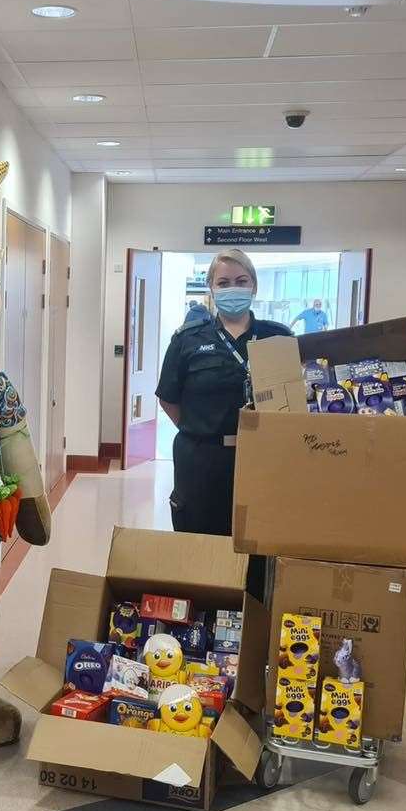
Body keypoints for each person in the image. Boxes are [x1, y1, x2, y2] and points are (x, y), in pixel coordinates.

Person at [156, 248, 290, 596]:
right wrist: (202, 429)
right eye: (224, 282)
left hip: (262, 462)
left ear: (254, 286)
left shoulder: (279, 338)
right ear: (211, 289)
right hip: (201, 460)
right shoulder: (188, 340)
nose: (234, 288)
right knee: (200, 551)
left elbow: (293, 399)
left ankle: (252, 626)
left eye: (241, 281)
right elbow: (168, 397)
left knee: (257, 553)